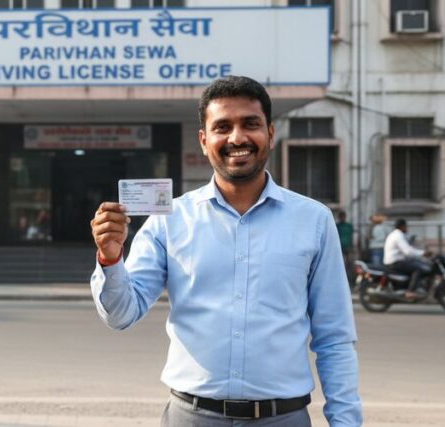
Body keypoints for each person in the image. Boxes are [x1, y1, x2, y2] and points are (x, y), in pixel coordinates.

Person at [90, 76, 361, 426]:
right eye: (222, 127)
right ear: (204, 141)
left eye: (250, 124)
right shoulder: (169, 221)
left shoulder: (313, 220)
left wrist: (346, 422)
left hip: (284, 418)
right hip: (191, 417)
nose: (237, 138)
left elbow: (335, 338)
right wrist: (111, 259)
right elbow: (121, 315)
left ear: (271, 134)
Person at [383, 218, 431, 299]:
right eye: (406, 226)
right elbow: (408, 251)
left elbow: (408, 248)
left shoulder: (395, 234)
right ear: (402, 226)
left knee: (414, 263)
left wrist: (418, 253)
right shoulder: (398, 236)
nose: (407, 228)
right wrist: (423, 253)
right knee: (418, 269)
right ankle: (410, 291)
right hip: (395, 262)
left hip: (395, 260)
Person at [336, 211, 354, 282]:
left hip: (348, 247)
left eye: (343, 217)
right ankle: (341, 279)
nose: (342, 218)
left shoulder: (349, 226)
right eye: (341, 217)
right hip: (339, 248)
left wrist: (353, 246)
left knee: (349, 264)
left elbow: (352, 237)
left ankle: (349, 279)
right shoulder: (337, 226)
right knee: (341, 264)